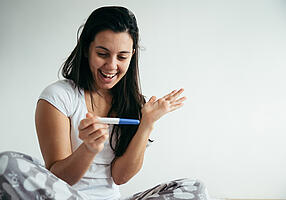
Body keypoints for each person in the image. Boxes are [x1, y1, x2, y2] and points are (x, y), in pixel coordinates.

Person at [0, 6, 210, 200]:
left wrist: (146, 124)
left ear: (132, 56)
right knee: (6, 164)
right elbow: (60, 179)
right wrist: (88, 149)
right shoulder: (57, 97)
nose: (111, 65)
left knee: (195, 188)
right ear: (86, 49)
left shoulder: (135, 104)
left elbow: (119, 177)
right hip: (65, 196)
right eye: (102, 54)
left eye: (122, 56)